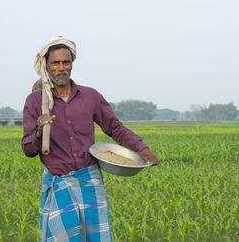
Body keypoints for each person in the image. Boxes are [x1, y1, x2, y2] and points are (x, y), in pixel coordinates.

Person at [21, 37, 158, 242]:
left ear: (72, 64)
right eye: (55, 63)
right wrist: (40, 131)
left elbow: (115, 128)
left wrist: (142, 148)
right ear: (46, 66)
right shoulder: (35, 102)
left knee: (96, 238)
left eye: (66, 62)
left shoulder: (90, 96)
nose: (61, 68)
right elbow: (29, 150)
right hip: (60, 183)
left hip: (89, 180)